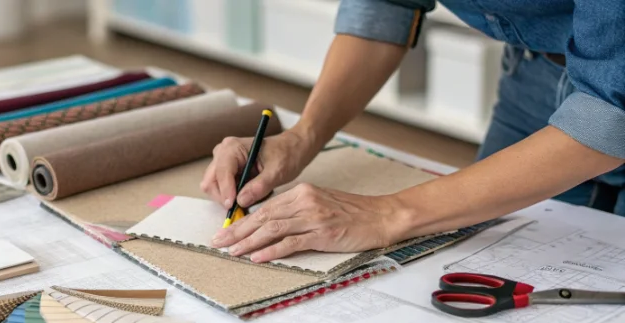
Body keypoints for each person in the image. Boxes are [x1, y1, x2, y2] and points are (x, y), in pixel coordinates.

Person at [201, 0, 625, 264]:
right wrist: (303, 136)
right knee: (498, 262)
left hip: (608, 95)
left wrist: (390, 214)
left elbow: (609, 114)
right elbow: (388, 4)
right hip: (537, 70)